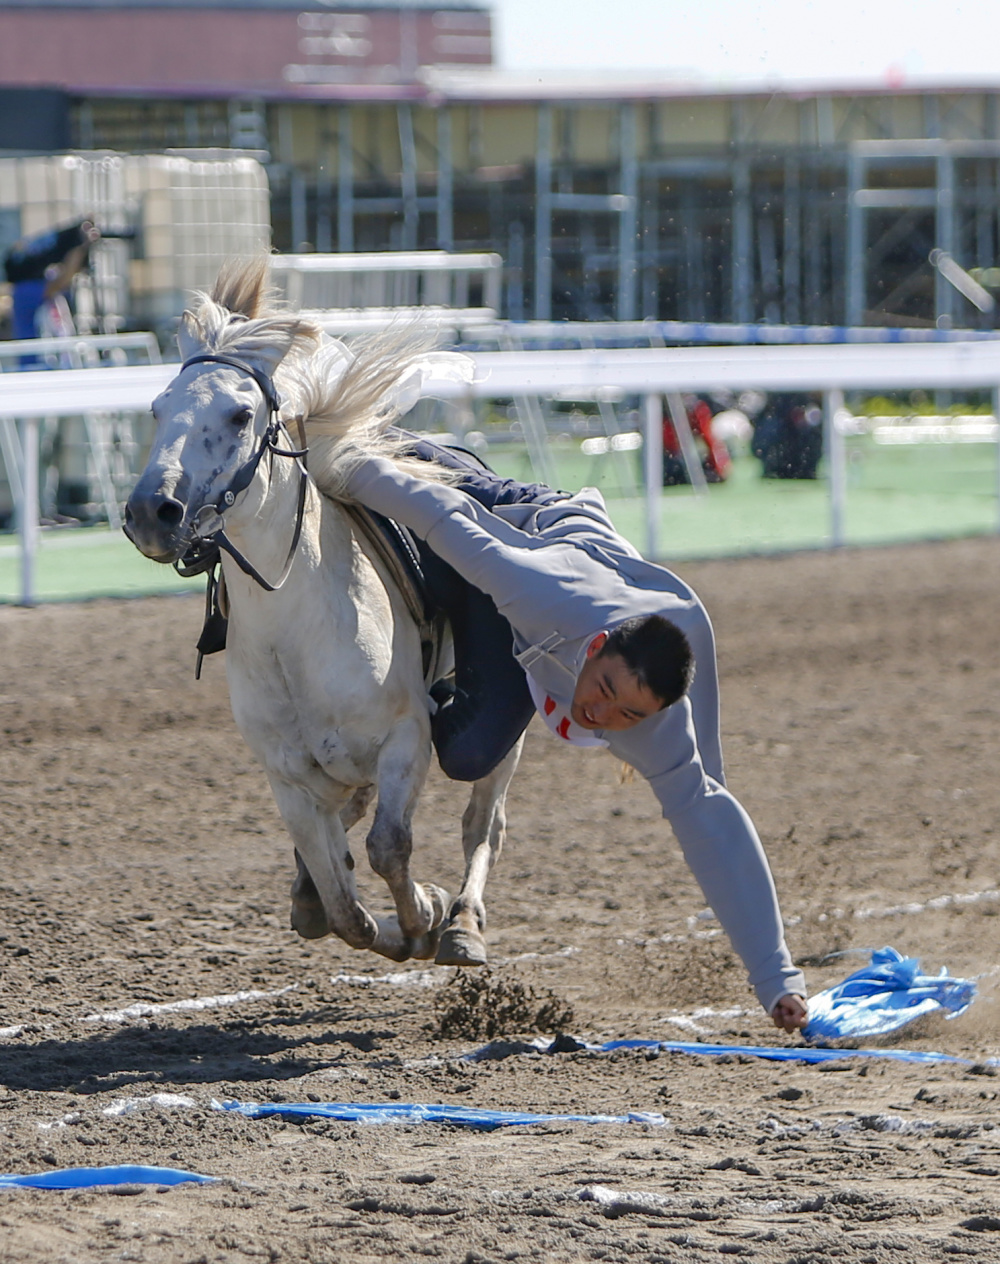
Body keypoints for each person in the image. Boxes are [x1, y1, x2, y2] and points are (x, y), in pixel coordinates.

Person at [343, 437, 809, 1034]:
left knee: (467, 754)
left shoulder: (654, 724)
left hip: (581, 608)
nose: (600, 714)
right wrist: (350, 464)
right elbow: (446, 516)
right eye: (604, 691)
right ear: (593, 649)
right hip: (525, 527)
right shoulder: (543, 591)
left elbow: (712, 825)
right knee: (432, 509)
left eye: (627, 716)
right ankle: (424, 450)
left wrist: (777, 980)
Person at [3, 218, 100, 348]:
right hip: (37, 364)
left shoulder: (38, 282)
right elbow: (59, 283)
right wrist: (79, 249)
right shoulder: (25, 290)